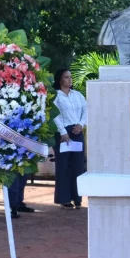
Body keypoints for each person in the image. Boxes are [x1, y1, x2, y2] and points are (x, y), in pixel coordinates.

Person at [52, 69, 87, 209]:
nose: (70, 79)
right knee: (63, 166)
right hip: (63, 133)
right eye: (66, 77)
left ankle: (77, 198)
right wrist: (62, 131)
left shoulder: (78, 95)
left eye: (70, 77)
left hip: (77, 131)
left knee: (78, 166)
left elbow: (86, 110)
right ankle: (64, 198)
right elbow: (55, 115)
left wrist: (81, 124)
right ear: (60, 80)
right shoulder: (56, 96)